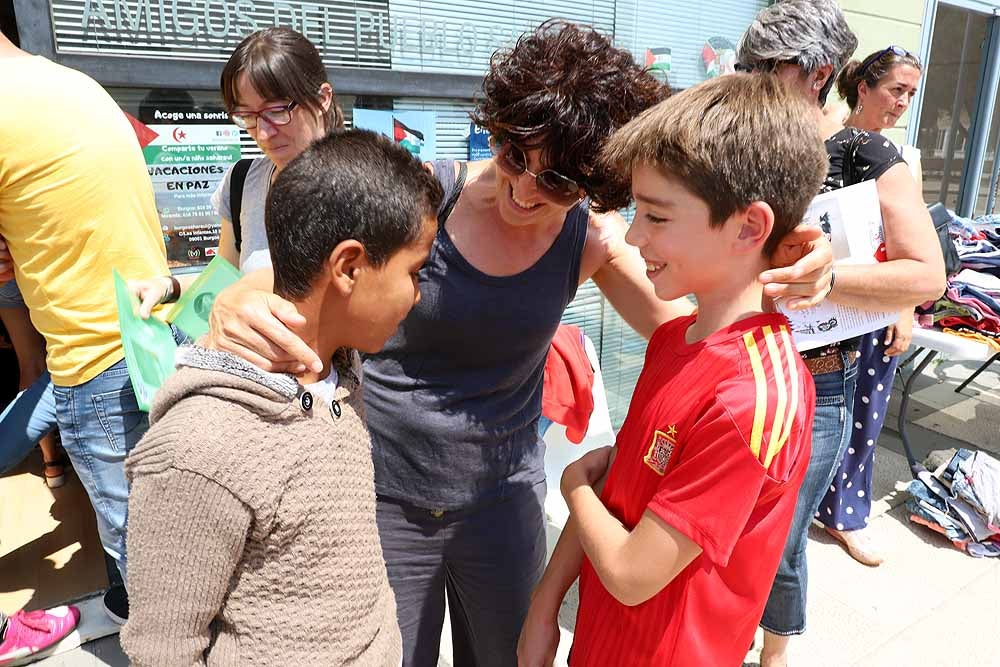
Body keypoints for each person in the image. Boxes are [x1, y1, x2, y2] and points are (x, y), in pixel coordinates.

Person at [203, 21, 836, 666]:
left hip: (501, 503)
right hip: (384, 491)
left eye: (559, 181)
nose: (525, 189)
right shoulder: (430, 197)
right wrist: (235, 297)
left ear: (596, 184)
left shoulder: (591, 240)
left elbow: (702, 314)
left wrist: (797, 251)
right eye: (514, 154)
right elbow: (302, 274)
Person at [520, 72, 824, 667]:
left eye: (657, 218)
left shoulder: (756, 399)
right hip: (605, 641)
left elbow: (634, 572)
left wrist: (571, 486)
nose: (634, 236)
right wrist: (546, 600)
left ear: (749, 226)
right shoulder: (671, 338)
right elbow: (620, 489)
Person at [122, 129, 441, 665]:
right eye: (415, 271)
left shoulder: (339, 371)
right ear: (349, 267)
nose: (419, 293)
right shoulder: (198, 449)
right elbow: (163, 648)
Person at [736, 3, 946, 665]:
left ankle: (774, 651)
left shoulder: (863, 152)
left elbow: (926, 272)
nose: (744, 83)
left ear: (815, 72)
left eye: (760, 71)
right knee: (738, 524)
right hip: (739, 367)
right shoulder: (745, 148)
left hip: (818, 380)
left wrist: (827, 279)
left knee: (782, 531)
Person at [0, 29, 172, 622]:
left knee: (144, 555)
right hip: (146, 336)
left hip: (92, 361)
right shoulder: (76, 85)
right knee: (163, 520)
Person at [129, 26, 344, 312]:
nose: (263, 133)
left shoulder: (360, 186)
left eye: (277, 111)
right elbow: (226, 279)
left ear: (322, 99)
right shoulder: (243, 182)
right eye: (247, 116)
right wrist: (169, 286)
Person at [817, 46, 925, 566]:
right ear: (864, 87)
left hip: (879, 301)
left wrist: (904, 309)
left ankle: (846, 515)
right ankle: (811, 500)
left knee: (866, 409)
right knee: (819, 407)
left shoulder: (904, 158)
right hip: (825, 298)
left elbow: (913, 248)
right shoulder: (829, 137)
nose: (903, 101)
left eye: (910, 92)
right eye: (895, 89)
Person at [0, 281, 63, 487]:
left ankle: (51, 462)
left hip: (5, 279)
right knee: (70, 350)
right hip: (44, 268)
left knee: (31, 364)